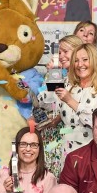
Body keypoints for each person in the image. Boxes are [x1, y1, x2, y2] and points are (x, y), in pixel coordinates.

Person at [36, 35, 83, 178]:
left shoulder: (84, 77)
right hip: (52, 139)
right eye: (59, 53)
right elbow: (45, 103)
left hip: (74, 140)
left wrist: (59, 117)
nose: (61, 56)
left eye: (65, 51)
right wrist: (52, 75)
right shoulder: (57, 75)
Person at [57, 42, 97, 156]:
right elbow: (47, 103)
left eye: (85, 59)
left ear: (94, 61)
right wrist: (52, 74)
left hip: (89, 153)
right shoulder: (68, 87)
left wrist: (70, 101)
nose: (80, 64)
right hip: (65, 152)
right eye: (76, 61)